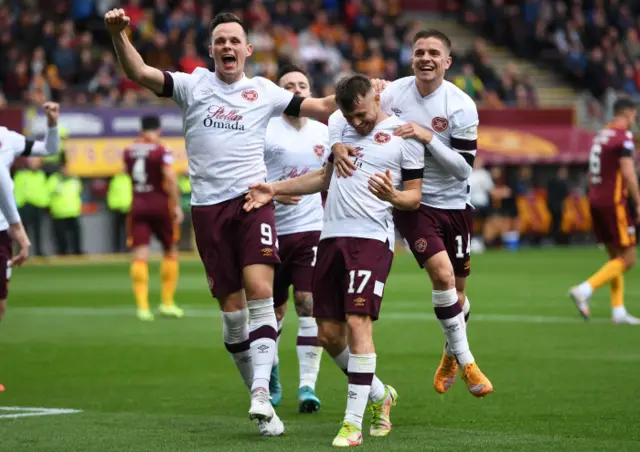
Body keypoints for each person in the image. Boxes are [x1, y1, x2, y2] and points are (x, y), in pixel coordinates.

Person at [104, 9, 337, 436]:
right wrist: (119, 35)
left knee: (261, 294)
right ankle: (261, 395)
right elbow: (138, 71)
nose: (228, 47)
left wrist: (370, 92)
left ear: (248, 50)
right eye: (220, 41)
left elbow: (321, 105)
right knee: (232, 317)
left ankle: (262, 396)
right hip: (208, 211)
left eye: (235, 41)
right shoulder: (192, 85)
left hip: (252, 203)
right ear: (211, 50)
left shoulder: (265, 91)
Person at [245, 74, 424, 447]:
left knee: (359, 322)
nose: (357, 122)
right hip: (330, 239)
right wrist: (273, 189)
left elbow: (414, 198)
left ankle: (351, 423)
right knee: (327, 335)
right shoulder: (338, 123)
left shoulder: (404, 136)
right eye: (350, 117)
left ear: (376, 96)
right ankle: (380, 395)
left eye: (361, 114)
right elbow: (324, 178)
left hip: (372, 239)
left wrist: (393, 196)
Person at [330, 29, 493, 397]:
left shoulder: (461, 105)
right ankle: (468, 363)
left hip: (455, 203)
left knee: (458, 296)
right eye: (419, 51)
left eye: (434, 52)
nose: (426, 58)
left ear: (447, 61)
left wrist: (427, 136)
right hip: (411, 198)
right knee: (442, 274)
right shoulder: (390, 92)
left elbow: (464, 169)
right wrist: (336, 143)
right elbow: (344, 112)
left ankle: (451, 353)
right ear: (411, 57)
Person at [263, 65, 327, 412]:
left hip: (310, 228)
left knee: (307, 301)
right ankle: (271, 374)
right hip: (268, 229)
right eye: (290, 85)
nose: (298, 89)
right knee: (272, 312)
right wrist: (273, 195)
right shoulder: (265, 128)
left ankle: (307, 386)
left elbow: (334, 174)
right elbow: (244, 174)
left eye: (303, 84)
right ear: (280, 93)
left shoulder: (322, 131)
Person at [569, 98, 640, 324]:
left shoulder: (601, 135)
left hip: (595, 199)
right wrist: (638, 201)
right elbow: (628, 174)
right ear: (629, 113)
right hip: (614, 201)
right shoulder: (624, 137)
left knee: (615, 256)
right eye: (635, 115)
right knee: (628, 258)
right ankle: (584, 290)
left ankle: (618, 311)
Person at [0, 102, 60, 321]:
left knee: (1, 305)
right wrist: (20, 231)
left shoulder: (7, 138)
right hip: (9, 226)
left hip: (1, 230)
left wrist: (52, 125)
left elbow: (49, 149)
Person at [123, 115, 184, 321]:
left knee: (140, 254)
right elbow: (170, 177)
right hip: (160, 205)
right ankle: (167, 303)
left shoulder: (129, 150)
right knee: (170, 249)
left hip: (138, 204)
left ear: (141, 129)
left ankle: (142, 307)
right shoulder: (161, 149)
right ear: (158, 129)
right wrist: (176, 205)